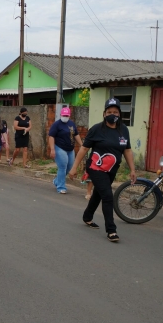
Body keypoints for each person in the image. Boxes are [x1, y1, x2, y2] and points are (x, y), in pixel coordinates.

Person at [69, 98, 136, 242]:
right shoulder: (96, 129)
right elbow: (84, 148)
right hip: (95, 167)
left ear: (119, 113)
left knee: (98, 195)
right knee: (107, 196)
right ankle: (111, 230)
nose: (112, 114)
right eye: (109, 112)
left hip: (112, 169)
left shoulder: (123, 129)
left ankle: (87, 217)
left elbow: (127, 150)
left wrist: (132, 169)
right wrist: (74, 167)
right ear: (104, 114)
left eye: (115, 112)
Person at [48, 107, 83, 194]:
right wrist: (52, 149)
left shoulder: (71, 124)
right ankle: (61, 187)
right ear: (60, 115)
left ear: (69, 116)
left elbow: (76, 135)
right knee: (63, 167)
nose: (65, 116)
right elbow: (51, 136)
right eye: (64, 115)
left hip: (70, 149)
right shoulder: (56, 124)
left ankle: (57, 181)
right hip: (60, 148)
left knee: (70, 167)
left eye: (67, 115)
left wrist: (82, 145)